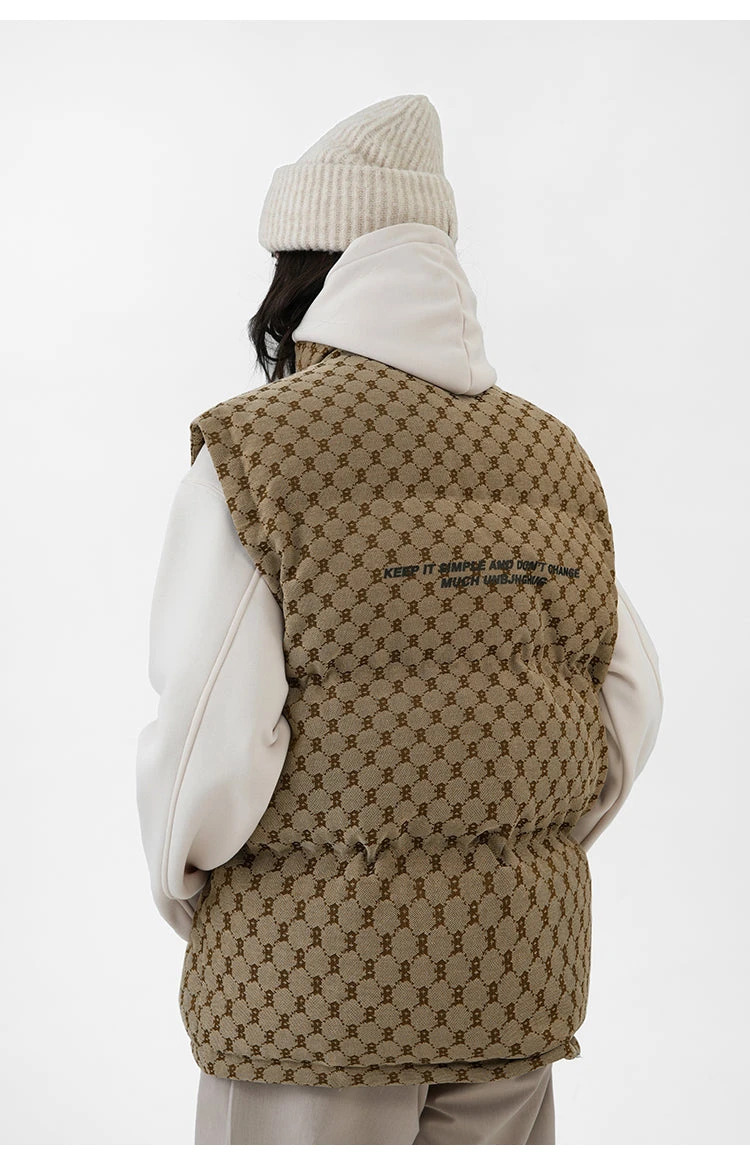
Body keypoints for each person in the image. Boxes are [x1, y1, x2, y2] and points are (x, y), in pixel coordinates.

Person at [135, 94, 664, 1145]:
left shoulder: (261, 456)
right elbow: (629, 704)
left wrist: (187, 884)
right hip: (514, 987)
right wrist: (517, 849)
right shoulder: (551, 457)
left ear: (304, 267)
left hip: (312, 999)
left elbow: (210, 736)